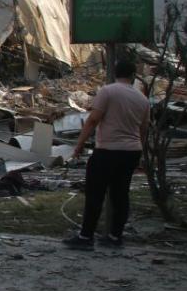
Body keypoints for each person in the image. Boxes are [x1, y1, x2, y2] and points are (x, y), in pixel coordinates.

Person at [63, 59, 150, 250]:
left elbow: (93, 120)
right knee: (121, 194)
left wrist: (79, 145)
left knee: (95, 193)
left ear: (115, 73)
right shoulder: (142, 99)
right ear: (133, 76)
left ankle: (86, 237)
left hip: (107, 150)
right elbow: (144, 129)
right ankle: (115, 236)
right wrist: (141, 153)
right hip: (131, 152)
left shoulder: (108, 91)